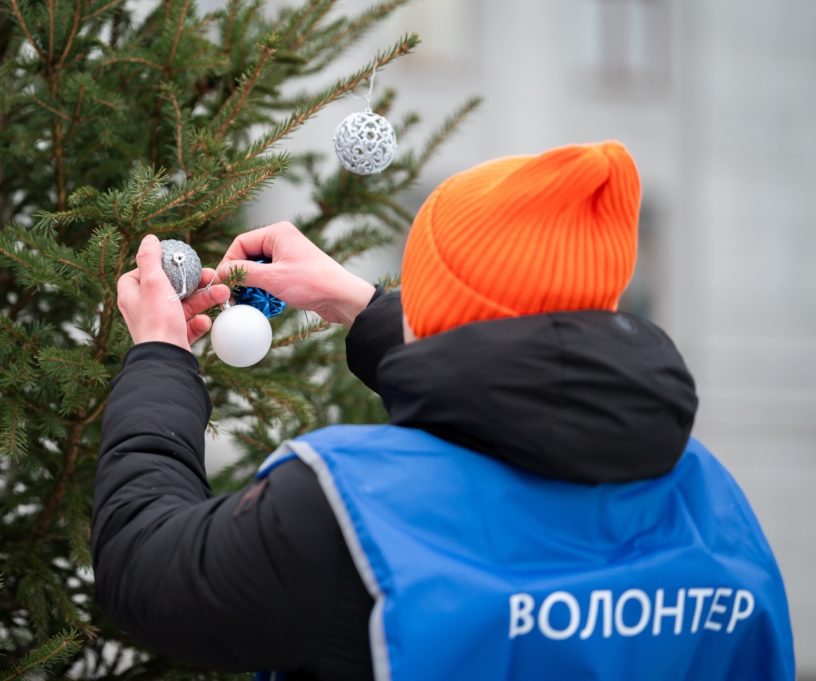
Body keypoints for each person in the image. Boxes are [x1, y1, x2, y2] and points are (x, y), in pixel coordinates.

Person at [92, 141, 794, 680]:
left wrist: (158, 352)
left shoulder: (350, 508)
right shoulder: (713, 502)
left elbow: (148, 569)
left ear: (440, 312)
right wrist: (360, 305)